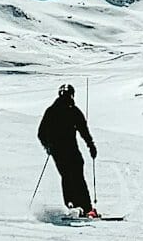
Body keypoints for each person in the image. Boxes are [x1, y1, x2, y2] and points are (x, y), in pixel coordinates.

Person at [38, 83, 98, 217]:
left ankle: (73, 205)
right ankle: (84, 207)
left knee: (68, 176)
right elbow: (84, 130)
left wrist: (48, 146)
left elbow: (41, 133)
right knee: (76, 177)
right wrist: (91, 146)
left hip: (59, 152)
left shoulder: (52, 110)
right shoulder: (70, 111)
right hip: (68, 151)